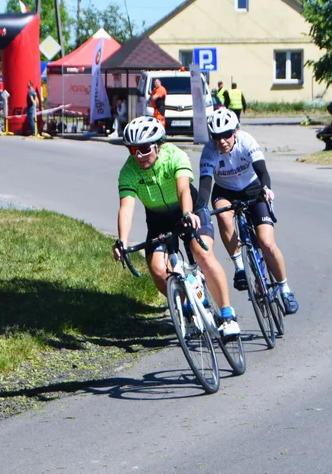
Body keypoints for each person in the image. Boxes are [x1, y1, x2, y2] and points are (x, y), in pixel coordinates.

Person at [112, 116, 240, 338]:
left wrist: (188, 214)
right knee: (158, 270)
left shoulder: (175, 155)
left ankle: (227, 316)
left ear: (158, 145)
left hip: (190, 210)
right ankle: (188, 310)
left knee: (203, 255)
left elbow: (183, 189)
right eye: (133, 150)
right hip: (159, 220)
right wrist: (122, 240)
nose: (138, 156)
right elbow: (126, 207)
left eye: (144, 149)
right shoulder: (129, 171)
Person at [198, 109, 299, 315]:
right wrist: (200, 208)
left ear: (235, 131)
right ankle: (239, 267)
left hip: (253, 187)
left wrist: (266, 189)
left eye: (227, 134)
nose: (223, 141)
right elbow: (206, 184)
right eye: (217, 137)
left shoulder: (246, 141)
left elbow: (262, 171)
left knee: (267, 243)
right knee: (222, 214)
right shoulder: (209, 152)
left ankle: (285, 289)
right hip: (225, 190)